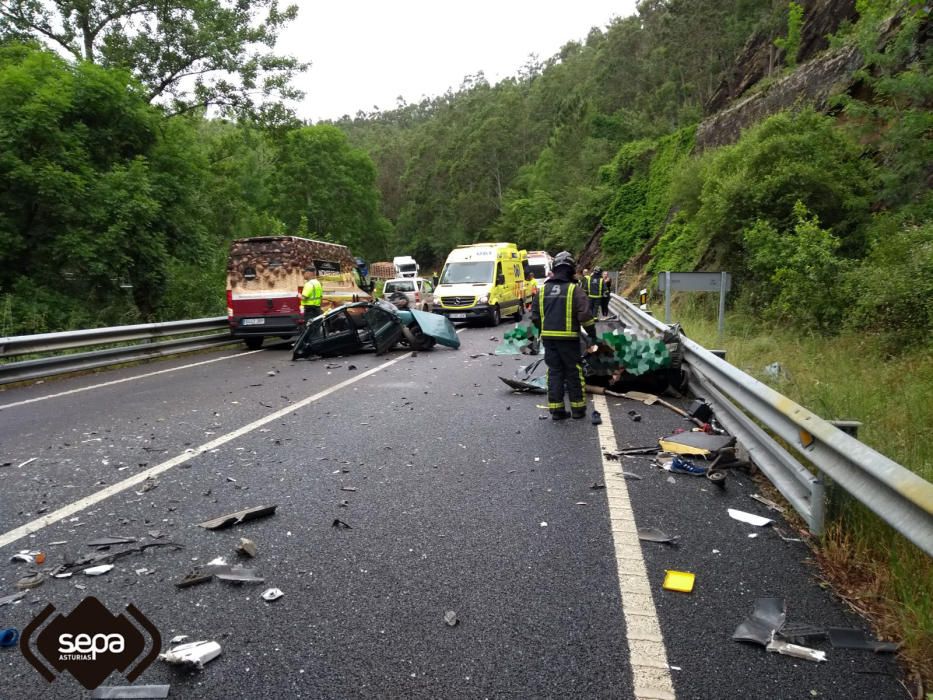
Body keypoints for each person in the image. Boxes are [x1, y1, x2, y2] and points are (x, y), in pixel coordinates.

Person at [531, 251, 596, 420]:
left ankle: (557, 411)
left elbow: (535, 317)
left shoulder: (542, 290)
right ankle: (578, 410)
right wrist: (592, 335)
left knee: (554, 372)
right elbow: (586, 317)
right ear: (571, 270)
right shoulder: (575, 290)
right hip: (569, 340)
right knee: (573, 372)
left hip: (549, 340)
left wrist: (541, 333)